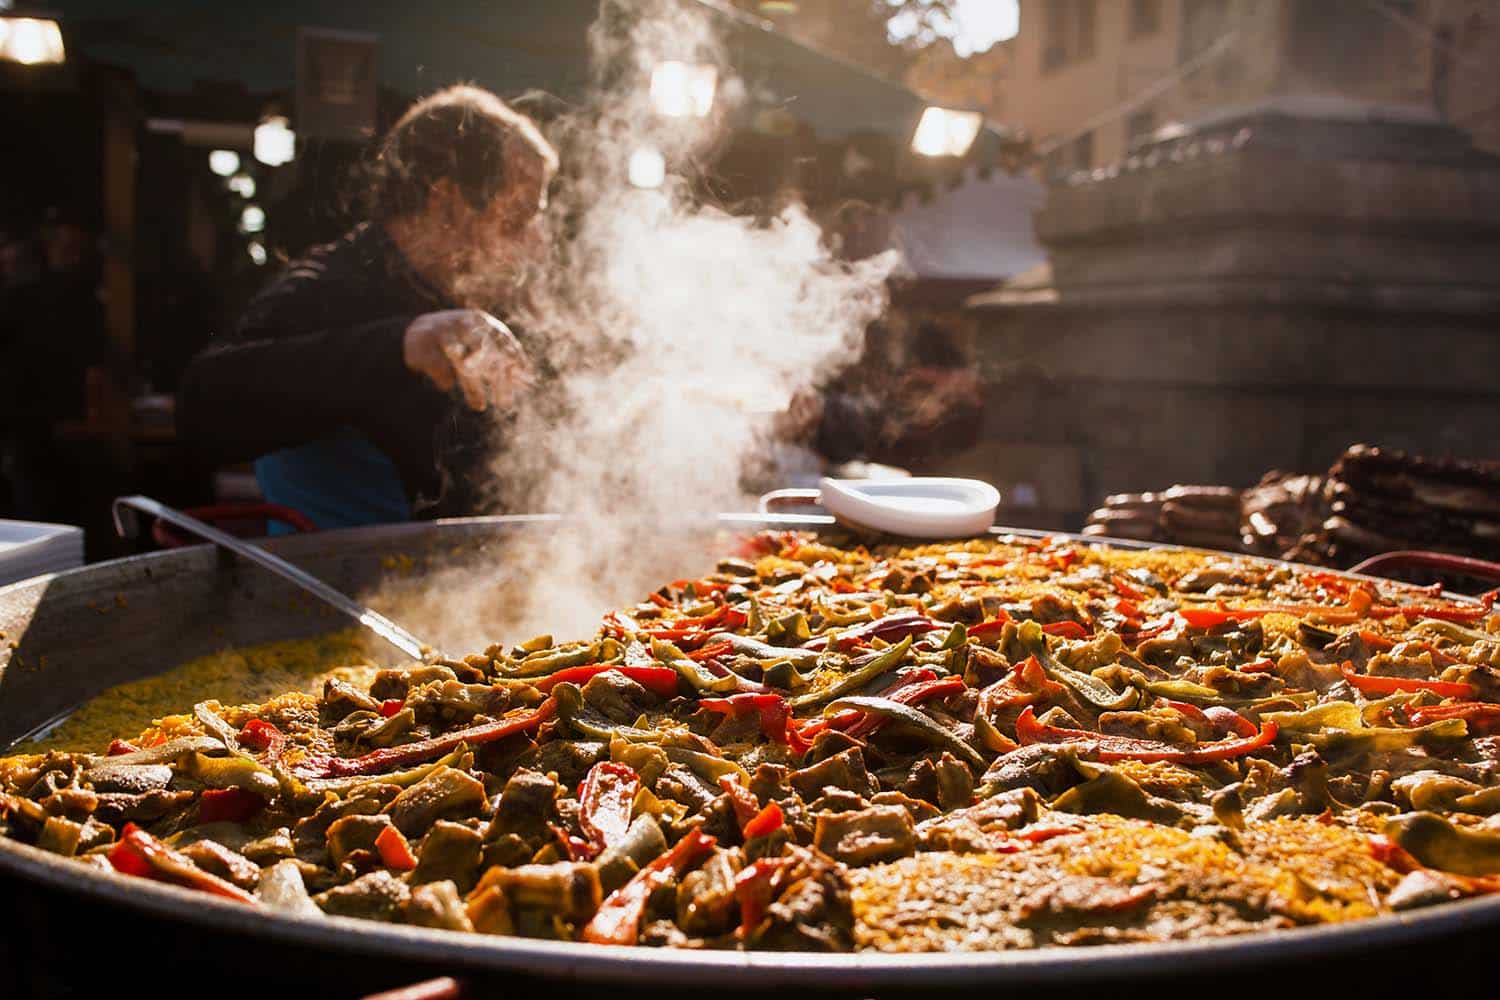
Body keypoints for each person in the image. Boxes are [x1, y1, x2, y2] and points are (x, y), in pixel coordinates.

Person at [178, 86, 556, 529]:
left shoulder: (464, 300)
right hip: (333, 584)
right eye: (517, 220)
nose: (536, 245)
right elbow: (202, 405)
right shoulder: (332, 285)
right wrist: (403, 346)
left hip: (455, 579)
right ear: (447, 201)